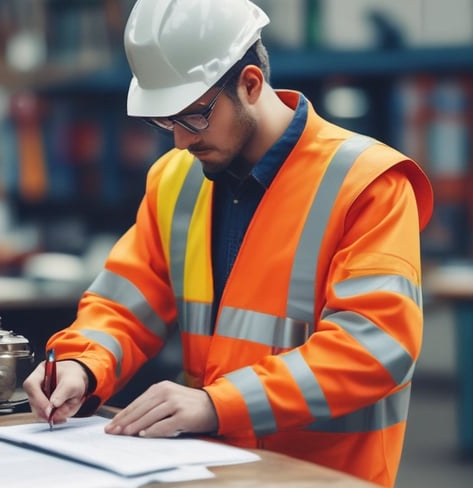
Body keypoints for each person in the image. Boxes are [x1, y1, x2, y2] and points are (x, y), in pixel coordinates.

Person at [23, 0, 434, 486]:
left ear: (252, 84)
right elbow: (124, 304)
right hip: (212, 472)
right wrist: (81, 363)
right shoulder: (176, 180)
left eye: (192, 117)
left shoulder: (367, 185)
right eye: (163, 120)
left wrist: (218, 404)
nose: (178, 140)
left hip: (322, 476)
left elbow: (375, 346)